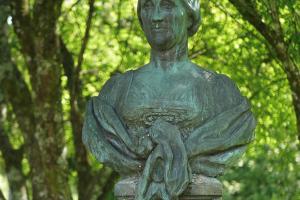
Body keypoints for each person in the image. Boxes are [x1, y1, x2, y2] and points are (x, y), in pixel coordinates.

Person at [82, 0, 256, 199]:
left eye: (166, 5)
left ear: (190, 14)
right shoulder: (115, 93)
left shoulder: (221, 93)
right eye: (147, 6)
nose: (156, 16)